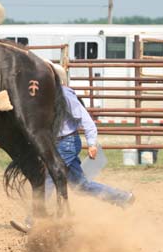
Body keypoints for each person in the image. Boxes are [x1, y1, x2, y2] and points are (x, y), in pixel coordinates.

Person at [11, 68, 134, 233]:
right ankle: (123, 198)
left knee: (49, 176)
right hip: (58, 143)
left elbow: (86, 119)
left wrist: (92, 143)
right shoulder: (46, 95)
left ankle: (33, 220)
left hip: (66, 143)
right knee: (81, 185)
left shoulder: (65, 95)